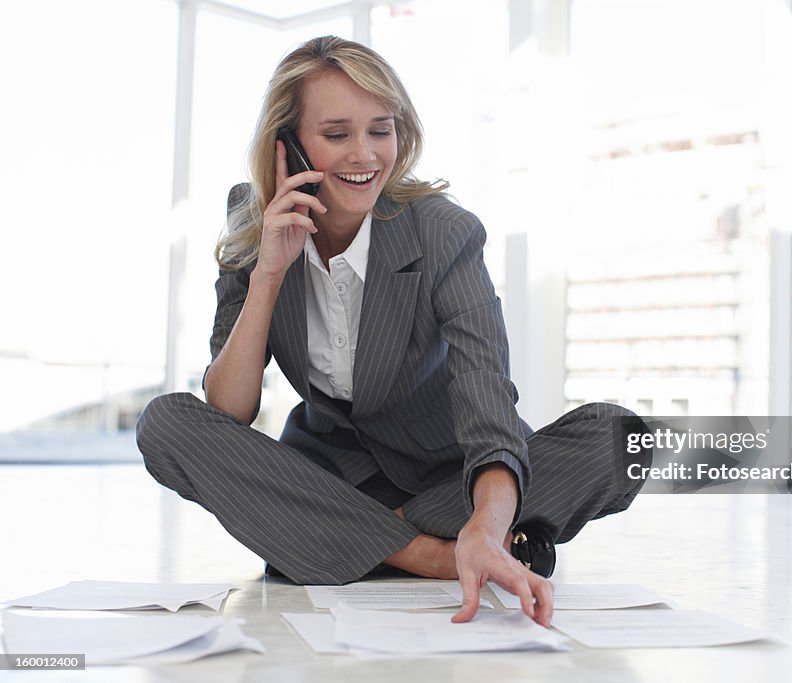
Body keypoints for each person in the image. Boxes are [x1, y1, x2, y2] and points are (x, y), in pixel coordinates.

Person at [136, 35, 647, 628]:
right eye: (336, 135)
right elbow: (229, 409)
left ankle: (345, 542)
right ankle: (430, 555)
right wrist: (269, 273)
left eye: (381, 130)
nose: (365, 155)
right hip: (332, 474)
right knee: (165, 422)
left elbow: (486, 395)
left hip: (449, 474)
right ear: (288, 145)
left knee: (620, 438)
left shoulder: (442, 232)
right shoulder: (254, 221)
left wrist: (484, 519)